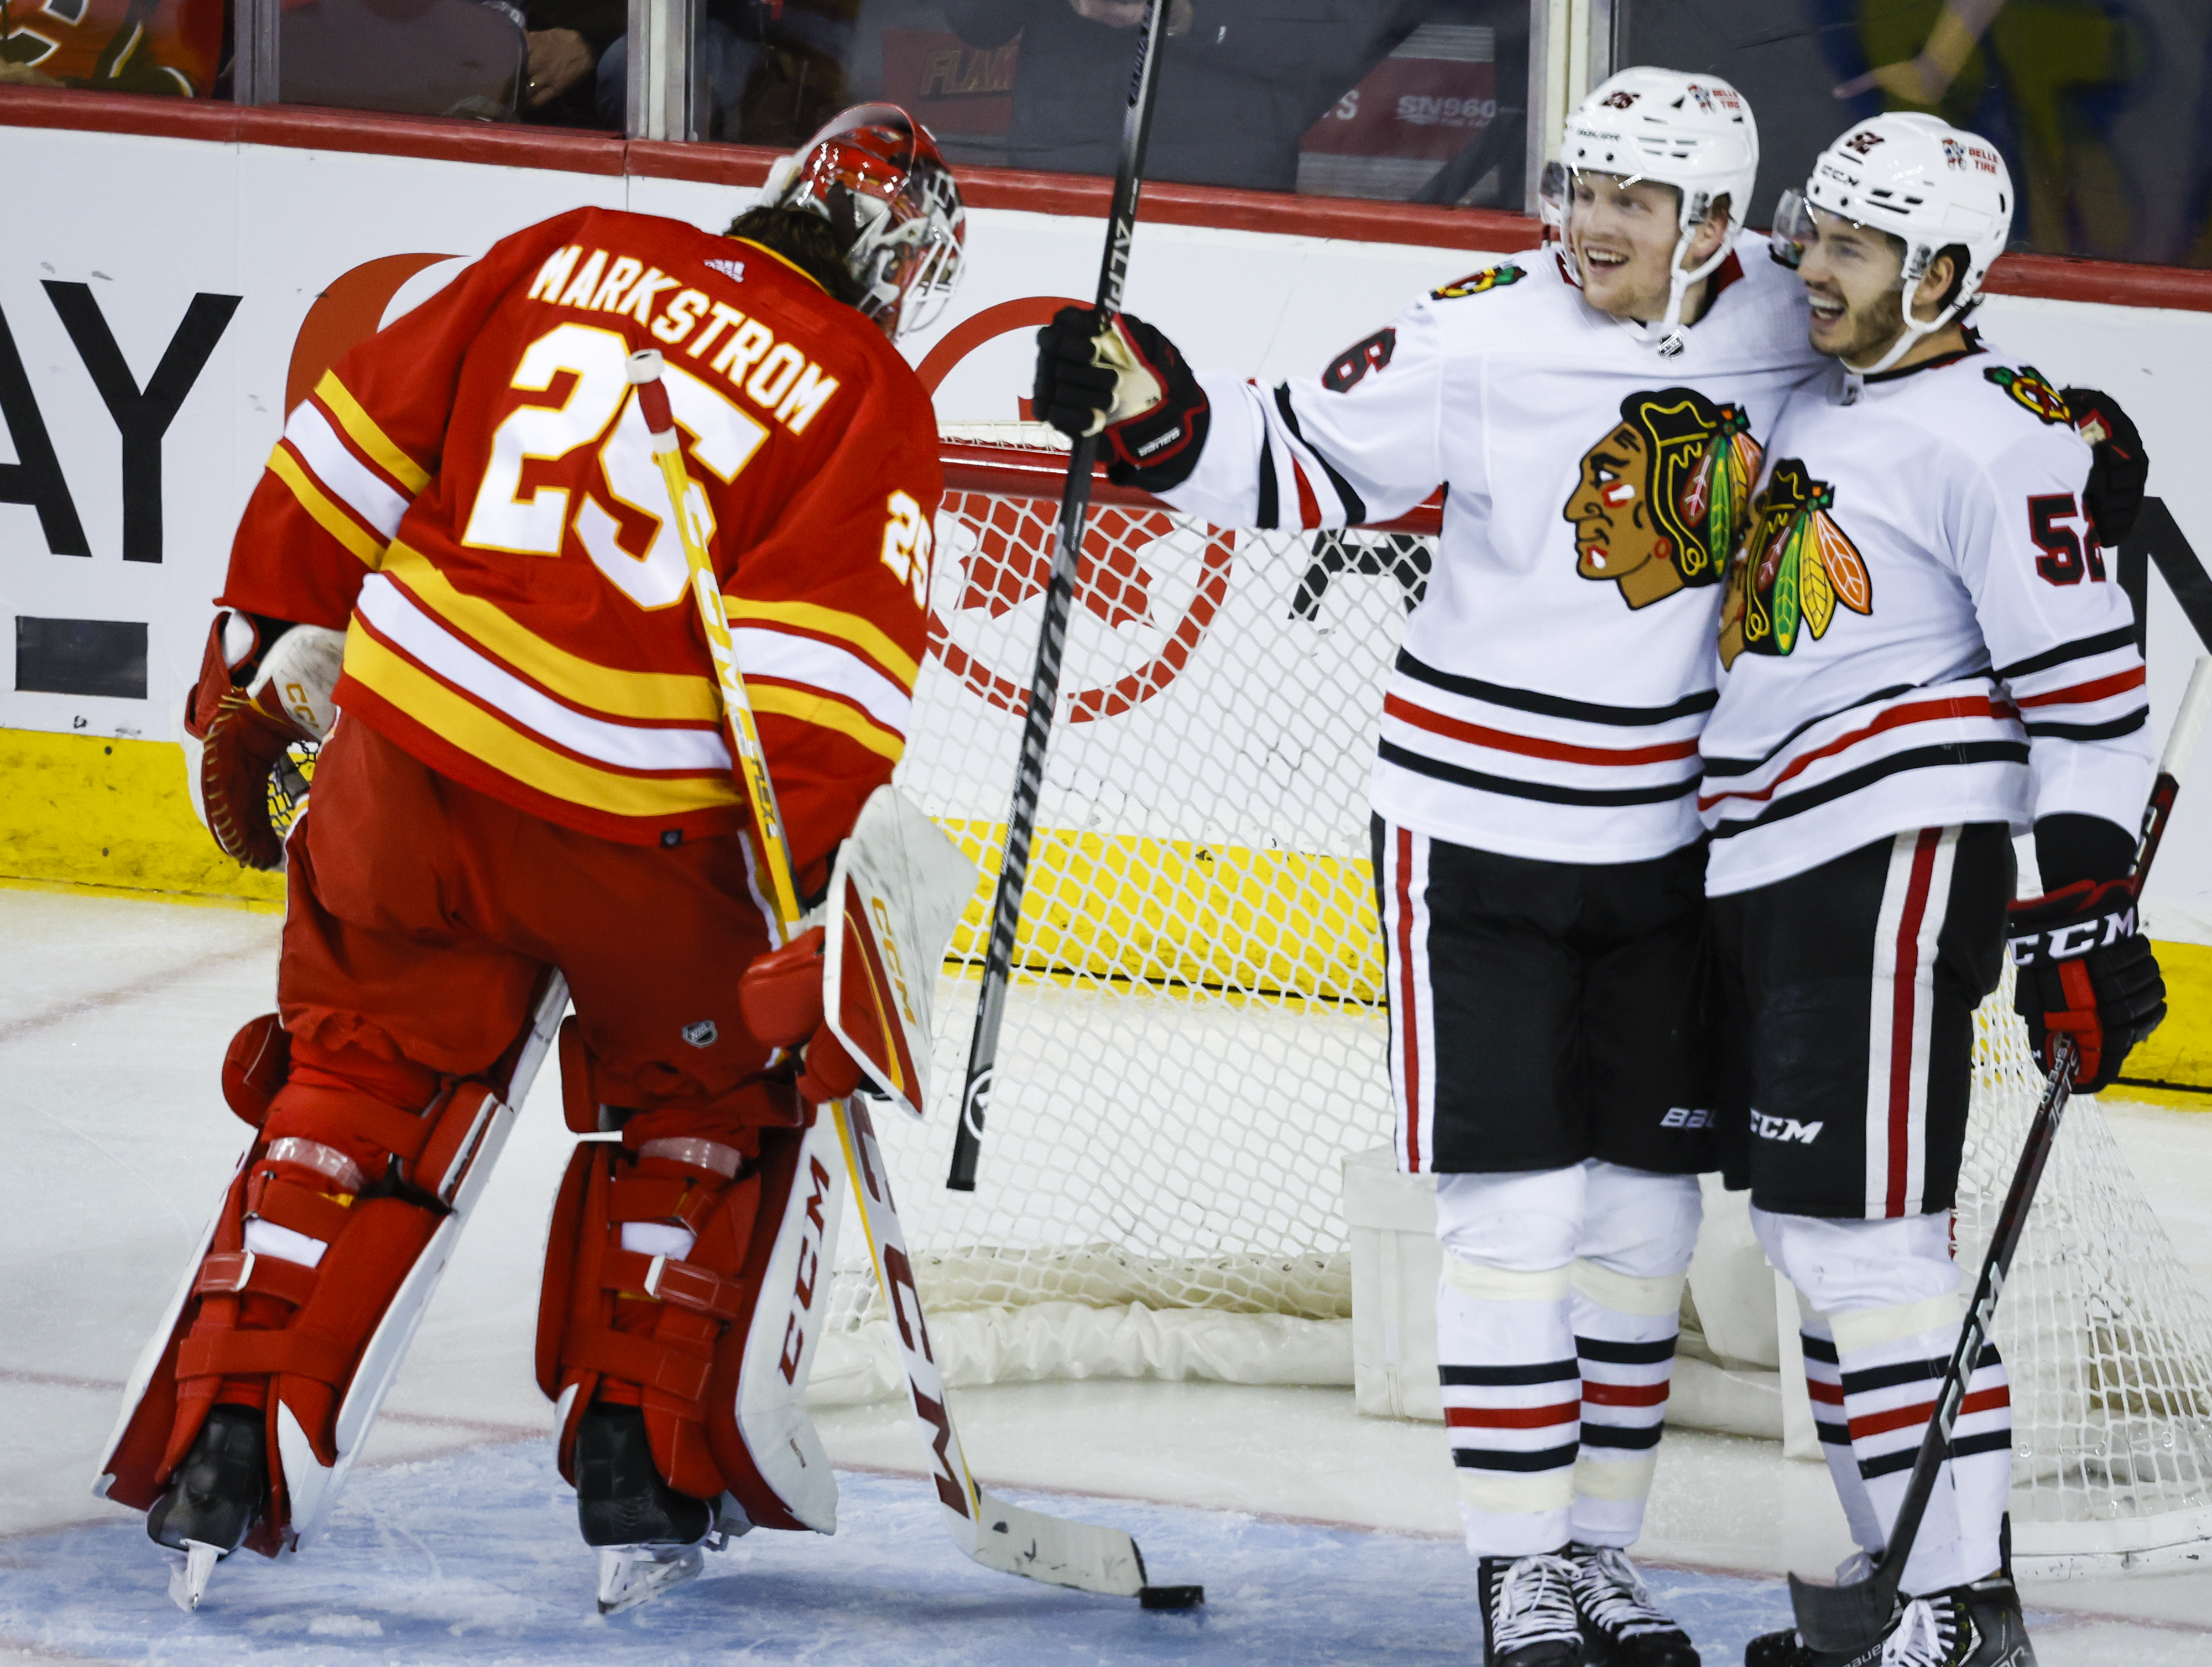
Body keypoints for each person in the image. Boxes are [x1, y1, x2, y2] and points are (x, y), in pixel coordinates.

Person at [102, 104, 965, 1612]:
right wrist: (808, 909)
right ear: (906, 276)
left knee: (356, 1075)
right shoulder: (868, 389)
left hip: (412, 773)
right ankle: (645, 1446)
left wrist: (240, 674)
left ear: (777, 191)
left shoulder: (564, 251)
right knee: (710, 1102)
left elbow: (336, 463)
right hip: (647, 837)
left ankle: (232, 1427)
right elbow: (827, 685)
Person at [1035, 66, 1827, 1667]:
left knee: (1645, 1234)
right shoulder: (1478, 326)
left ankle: (1602, 1561)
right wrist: (1146, 403)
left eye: (1633, 199)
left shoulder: (1793, 326)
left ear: (1722, 222)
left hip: (1679, 847)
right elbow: (1292, 459)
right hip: (1476, 833)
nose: (1590, 222)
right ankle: (1517, 1570)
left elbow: (1919, 385)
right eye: (1578, 185)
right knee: (1512, 1219)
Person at [1705, 113, 2162, 1667]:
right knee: (1812, 1249)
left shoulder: (1995, 438)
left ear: (1946, 272)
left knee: (1870, 1251)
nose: (1808, 266)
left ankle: (1959, 1615)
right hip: (1775, 859)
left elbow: (2091, 704)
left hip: (1887, 865)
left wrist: (2085, 913)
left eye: (1850, 246)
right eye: (1811, 230)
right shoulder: (1850, 382)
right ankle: (1898, 1589)